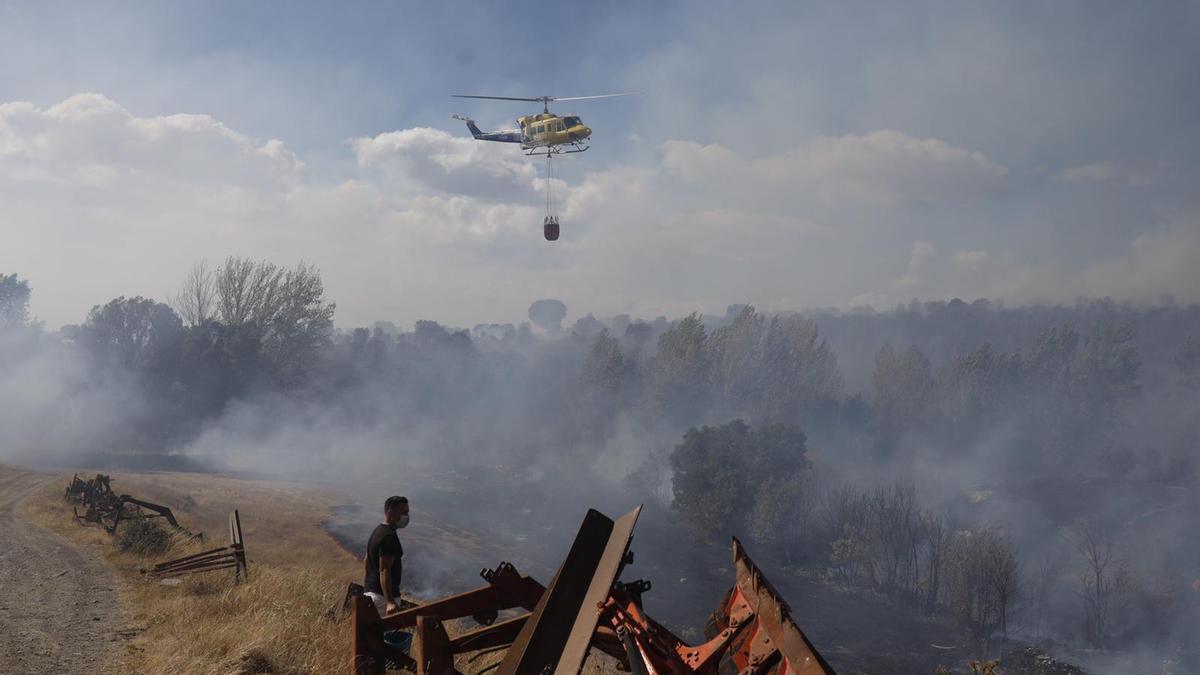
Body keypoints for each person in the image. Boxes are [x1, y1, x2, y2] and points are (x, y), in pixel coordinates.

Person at [364, 495, 408, 616]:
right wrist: (390, 601)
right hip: (382, 599)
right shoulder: (389, 537)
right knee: (385, 634)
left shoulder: (378, 531)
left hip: (372, 593)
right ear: (390, 512)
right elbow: (384, 570)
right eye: (403, 512)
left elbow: (366, 560)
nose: (406, 517)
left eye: (407, 512)